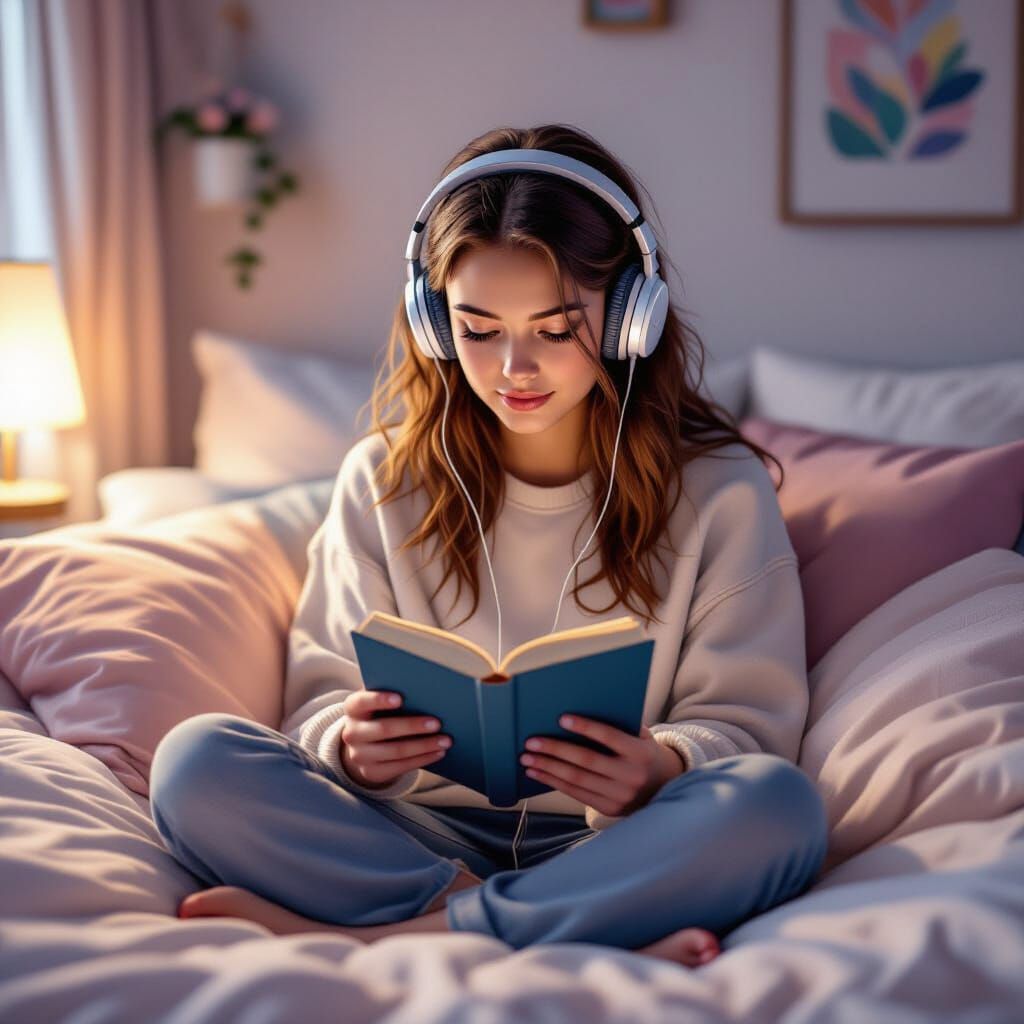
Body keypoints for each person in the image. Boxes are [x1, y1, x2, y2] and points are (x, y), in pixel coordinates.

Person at [148, 123, 829, 967]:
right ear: (434, 325)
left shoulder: (720, 489)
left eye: (554, 329)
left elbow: (751, 729)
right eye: (477, 329)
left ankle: (393, 936)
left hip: (616, 841)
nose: (515, 367)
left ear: (629, 318)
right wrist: (353, 752)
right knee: (195, 761)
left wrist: (659, 767)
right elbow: (320, 696)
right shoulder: (381, 481)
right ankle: (552, 926)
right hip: (408, 833)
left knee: (777, 808)